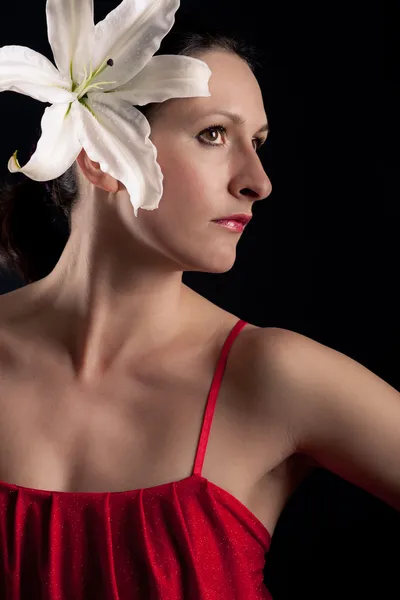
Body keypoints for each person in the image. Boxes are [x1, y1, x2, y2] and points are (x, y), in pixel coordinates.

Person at [0, 1, 399, 599]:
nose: (257, 181)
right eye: (214, 134)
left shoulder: (273, 377)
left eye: (257, 141)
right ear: (99, 156)